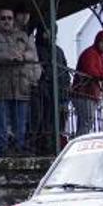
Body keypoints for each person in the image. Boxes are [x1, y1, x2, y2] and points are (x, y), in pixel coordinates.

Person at [0, 7, 40, 155]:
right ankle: (4, 148)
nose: (7, 21)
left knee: (20, 121)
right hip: (0, 85)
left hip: (21, 84)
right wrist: (7, 56)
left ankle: (19, 147)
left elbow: (32, 53)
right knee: (1, 120)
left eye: (10, 18)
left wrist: (23, 56)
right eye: (3, 18)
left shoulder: (22, 35)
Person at [31, 20, 71, 154]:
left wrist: (66, 88)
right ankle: (43, 147)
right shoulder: (37, 49)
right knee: (43, 121)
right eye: (47, 30)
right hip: (44, 91)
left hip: (59, 92)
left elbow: (65, 70)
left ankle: (54, 146)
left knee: (57, 122)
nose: (50, 33)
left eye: (52, 30)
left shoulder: (58, 51)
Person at [71, 28, 103, 137]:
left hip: (92, 94)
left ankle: (79, 142)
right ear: (98, 41)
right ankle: (79, 144)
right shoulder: (90, 53)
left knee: (87, 122)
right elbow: (91, 70)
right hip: (82, 93)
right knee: (86, 122)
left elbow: (99, 73)